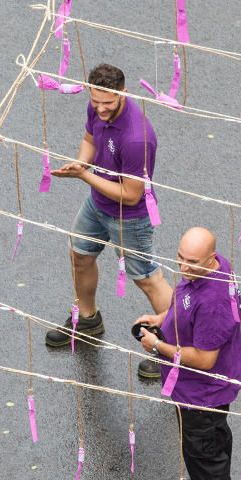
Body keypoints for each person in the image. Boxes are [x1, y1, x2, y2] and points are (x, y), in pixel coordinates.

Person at [135, 227, 241, 480]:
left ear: (212, 258)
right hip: (194, 391)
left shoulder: (214, 303)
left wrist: (157, 345)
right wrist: (162, 318)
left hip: (204, 392)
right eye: (180, 259)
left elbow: (204, 359)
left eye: (192, 262)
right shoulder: (206, 271)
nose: (183, 268)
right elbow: (184, 305)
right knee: (212, 440)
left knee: (202, 453)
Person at [46, 63, 172, 359]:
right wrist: (81, 163)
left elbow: (130, 195)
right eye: (95, 101)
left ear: (124, 94)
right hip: (98, 202)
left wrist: (84, 176)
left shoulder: (137, 137)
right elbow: (90, 138)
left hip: (129, 216)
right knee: (79, 253)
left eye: (108, 103)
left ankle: (173, 344)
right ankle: (88, 319)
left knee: (146, 277)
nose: (100, 109)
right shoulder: (97, 107)